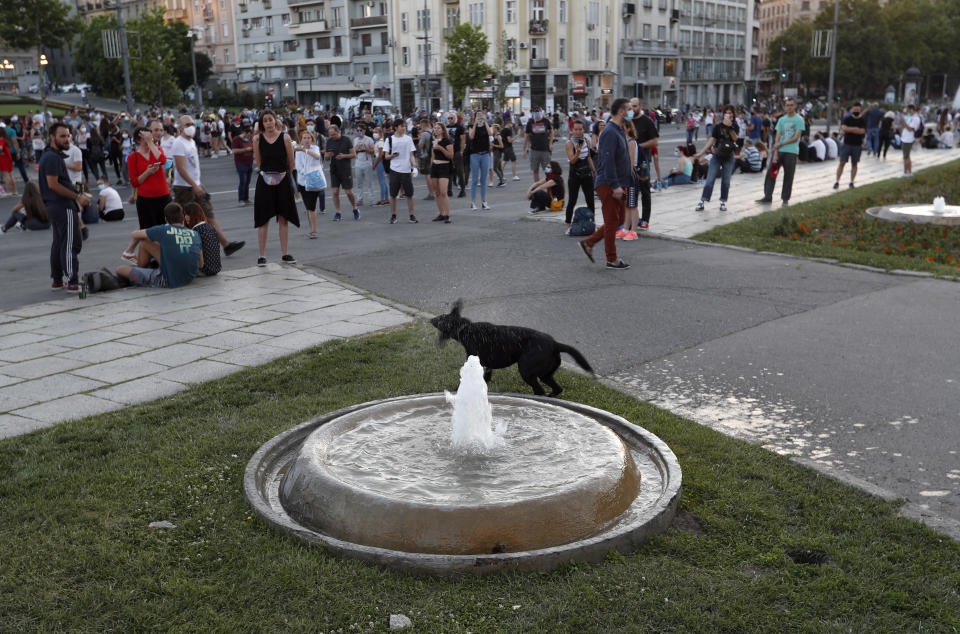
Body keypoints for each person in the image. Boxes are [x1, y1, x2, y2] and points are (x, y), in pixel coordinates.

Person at [172, 114, 245, 255]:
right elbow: (180, 169)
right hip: (185, 188)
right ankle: (182, 252)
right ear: (180, 127)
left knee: (208, 215)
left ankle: (226, 245)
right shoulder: (178, 143)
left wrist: (197, 185)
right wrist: (195, 185)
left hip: (196, 185)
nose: (191, 127)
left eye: (192, 124)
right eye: (187, 125)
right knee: (184, 221)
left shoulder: (191, 142)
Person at [578, 98, 632, 270]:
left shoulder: (619, 129)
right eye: (629, 109)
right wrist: (615, 185)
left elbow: (622, 158)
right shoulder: (609, 131)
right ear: (621, 111)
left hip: (618, 182)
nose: (632, 112)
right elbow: (607, 161)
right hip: (608, 183)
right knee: (611, 221)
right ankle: (612, 258)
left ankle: (589, 243)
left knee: (620, 219)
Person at [40, 123, 91, 291]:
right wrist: (77, 197)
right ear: (52, 137)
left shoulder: (52, 155)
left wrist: (78, 192)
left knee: (60, 242)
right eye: (62, 136)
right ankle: (72, 281)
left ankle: (57, 279)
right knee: (71, 243)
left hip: (56, 205)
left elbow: (63, 182)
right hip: (62, 205)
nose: (67, 139)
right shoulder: (53, 158)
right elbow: (53, 184)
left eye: (68, 135)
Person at [116, 202, 203, 289]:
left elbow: (134, 235)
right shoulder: (195, 233)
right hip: (189, 277)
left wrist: (150, 231)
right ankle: (141, 272)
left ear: (166, 219)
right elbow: (201, 264)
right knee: (146, 243)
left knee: (120, 270)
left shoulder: (163, 229)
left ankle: (140, 274)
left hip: (168, 280)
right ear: (183, 218)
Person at [253, 110, 300, 266]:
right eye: (265, 120)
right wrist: (268, 175)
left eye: (270, 119)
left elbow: (291, 162)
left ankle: (285, 254)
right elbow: (259, 163)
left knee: (283, 218)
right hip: (265, 180)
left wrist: (283, 175)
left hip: (283, 179)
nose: (268, 123)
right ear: (262, 123)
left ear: (275, 121)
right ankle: (261, 256)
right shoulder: (257, 139)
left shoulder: (285, 137)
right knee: (263, 219)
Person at [758, 98, 804, 207]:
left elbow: (796, 137)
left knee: (788, 175)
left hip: (791, 152)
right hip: (780, 152)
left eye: (791, 105)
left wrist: (781, 144)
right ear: (784, 106)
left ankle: (785, 199)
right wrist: (776, 150)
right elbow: (778, 135)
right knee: (772, 173)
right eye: (787, 105)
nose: (789, 107)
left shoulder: (799, 120)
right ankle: (768, 196)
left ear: (795, 106)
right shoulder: (782, 120)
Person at [694, 106, 738, 213]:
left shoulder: (735, 125)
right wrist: (701, 153)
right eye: (726, 113)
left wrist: (730, 127)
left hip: (729, 156)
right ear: (723, 114)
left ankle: (723, 202)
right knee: (710, 179)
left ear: (733, 114)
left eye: (730, 113)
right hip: (717, 156)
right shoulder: (718, 126)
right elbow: (711, 140)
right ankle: (702, 201)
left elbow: (735, 139)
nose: (728, 115)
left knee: (726, 181)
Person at [127, 124, 169, 229]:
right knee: (148, 231)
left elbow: (163, 160)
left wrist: (151, 143)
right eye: (145, 137)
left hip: (163, 196)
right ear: (138, 140)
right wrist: (147, 173)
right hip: (145, 200)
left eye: (149, 136)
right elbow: (134, 182)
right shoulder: (133, 157)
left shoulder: (157, 150)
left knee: (166, 229)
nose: (149, 138)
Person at [629, 99, 658, 231]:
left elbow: (654, 140)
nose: (632, 109)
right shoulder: (627, 121)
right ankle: (629, 219)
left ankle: (645, 220)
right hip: (628, 161)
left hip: (643, 161)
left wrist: (637, 147)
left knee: (645, 190)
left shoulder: (647, 121)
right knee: (629, 190)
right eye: (630, 107)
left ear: (640, 106)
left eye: (634, 106)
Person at [382, 118, 418, 224]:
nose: (404, 128)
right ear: (396, 127)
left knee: (409, 194)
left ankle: (411, 215)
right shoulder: (390, 139)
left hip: (406, 170)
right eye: (402, 126)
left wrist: (414, 166)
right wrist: (393, 155)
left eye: (405, 126)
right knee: (393, 194)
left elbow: (411, 154)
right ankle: (393, 215)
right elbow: (386, 156)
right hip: (394, 170)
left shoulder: (408, 139)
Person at [564, 119, 596, 231]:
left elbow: (588, 157)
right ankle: (568, 224)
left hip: (586, 173)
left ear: (584, 130)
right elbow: (572, 160)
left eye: (580, 129)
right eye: (576, 129)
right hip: (575, 174)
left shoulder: (587, 140)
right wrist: (577, 151)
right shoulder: (569, 143)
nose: (578, 132)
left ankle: (592, 223)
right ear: (572, 130)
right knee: (572, 200)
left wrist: (594, 171)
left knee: (590, 199)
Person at [324, 124, 360, 221]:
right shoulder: (329, 141)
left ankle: (355, 208)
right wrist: (328, 155)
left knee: (348, 192)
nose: (333, 137)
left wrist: (344, 156)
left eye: (334, 134)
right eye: (331, 135)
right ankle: (338, 212)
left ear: (339, 131)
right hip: (334, 169)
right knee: (335, 192)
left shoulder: (346, 140)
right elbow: (326, 158)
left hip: (345, 169)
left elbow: (354, 154)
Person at [294, 129, 325, 238]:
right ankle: (311, 228)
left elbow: (317, 157)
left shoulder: (315, 148)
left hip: (314, 181)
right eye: (304, 138)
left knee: (312, 206)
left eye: (309, 138)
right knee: (307, 206)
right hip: (303, 182)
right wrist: (305, 173)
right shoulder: (297, 151)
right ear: (301, 140)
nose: (306, 140)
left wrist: (305, 150)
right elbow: (298, 167)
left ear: (312, 139)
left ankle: (314, 231)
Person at [183, 201, 221, 276]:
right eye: (185, 215)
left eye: (188, 214)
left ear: (195, 215)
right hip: (216, 268)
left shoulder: (195, 232)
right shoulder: (210, 227)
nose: (185, 217)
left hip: (203, 270)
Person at [835, 103, 866, 189]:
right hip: (847, 144)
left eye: (858, 109)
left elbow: (862, 131)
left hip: (857, 145)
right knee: (842, 162)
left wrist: (850, 129)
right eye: (855, 109)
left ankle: (851, 182)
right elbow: (844, 128)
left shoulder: (863, 120)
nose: (856, 111)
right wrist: (856, 129)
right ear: (852, 109)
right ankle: (837, 181)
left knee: (854, 164)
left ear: (860, 110)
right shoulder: (847, 119)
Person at [466, 111, 492, 210]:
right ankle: (473, 202)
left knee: (483, 180)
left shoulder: (487, 124)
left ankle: (484, 202)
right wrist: (476, 123)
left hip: (485, 154)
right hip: (475, 154)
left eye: (481, 115)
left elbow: (490, 133)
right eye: (478, 115)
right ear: (475, 116)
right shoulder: (471, 125)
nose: (480, 116)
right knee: (475, 179)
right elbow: (471, 136)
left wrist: (485, 122)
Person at [429, 121, 453, 223]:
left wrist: (441, 148)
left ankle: (447, 215)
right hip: (435, 166)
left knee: (443, 192)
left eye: (438, 128)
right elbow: (432, 156)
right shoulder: (434, 141)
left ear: (443, 130)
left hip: (444, 166)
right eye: (435, 128)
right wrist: (431, 167)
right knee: (437, 192)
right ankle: (441, 214)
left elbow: (450, 156)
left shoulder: (447, 141)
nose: (436, 130)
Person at [523, 107, 553, 181]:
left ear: (541, 112)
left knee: (548, 170)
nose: (536, 114)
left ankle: (549, 187)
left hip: (545, 150)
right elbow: (526, 136)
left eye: (538, 112)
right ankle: (538, 188)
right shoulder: (530, 122)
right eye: (535, 112)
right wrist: (524, 150)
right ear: (532, 113)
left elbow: (552, 131)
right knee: (535, 170)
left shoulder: (546, 121)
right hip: (534, 150)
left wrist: (550, 143)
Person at [231, 122, 254, 205]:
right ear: (245, 133)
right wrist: (245, 150)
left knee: (247, 182)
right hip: (240, 163)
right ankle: (241, 199)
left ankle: (246, 198)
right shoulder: (236, 139)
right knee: (243, 182)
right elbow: (233, 150)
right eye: (249, 135)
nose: (249, 137)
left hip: (249, 162)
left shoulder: (249, 139)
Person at [354, 124, 375, 205]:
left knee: (369, 182)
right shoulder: (355, 140)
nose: (359, 132)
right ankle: (359, 199)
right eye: (358, 130)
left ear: (364, 131)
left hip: (367, 163)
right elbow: (353, 151)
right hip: (358, 163)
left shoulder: (369, 139)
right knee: (359, 183)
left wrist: (365, 149)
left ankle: (371, 199)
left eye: (361, 130)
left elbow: (373, 150)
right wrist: (356, 149)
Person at [371, 124, 391, 205]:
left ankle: (383, 199)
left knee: (381, 181)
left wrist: (375, 164)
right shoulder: (379, 142)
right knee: (383, 180)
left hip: (379, 161)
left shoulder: (380, 142)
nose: (374, 134)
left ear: (380, 133)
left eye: (376, 132)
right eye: (373, 132)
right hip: (378, 161)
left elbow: (380, 155)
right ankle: (385, 198)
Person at [900, 103, 921, 177]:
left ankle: (908, 173)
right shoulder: (911, 117)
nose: (907, 111)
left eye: (908, 109)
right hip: (905, 138)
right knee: (906, 156)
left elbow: (910, 129)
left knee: (906, 156)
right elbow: (905, 126)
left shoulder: (916, 118)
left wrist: (903, 122)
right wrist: (902, 122)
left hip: (908, 139)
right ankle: (907, 172)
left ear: (911, 109)